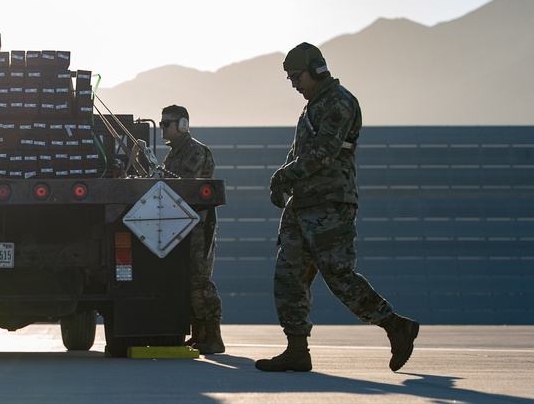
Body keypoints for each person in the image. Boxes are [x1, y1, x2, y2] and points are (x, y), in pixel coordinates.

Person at [258, 42, 419, 373]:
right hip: (303, 205)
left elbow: (322, 153)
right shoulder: (312, 107)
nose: (293, 84)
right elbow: (300, 152)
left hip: (330, 204)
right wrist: (283, 182)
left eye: (296, 76)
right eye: (289, 78)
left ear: (316, 70)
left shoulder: (339, 102)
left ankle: (395, 325)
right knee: (288, 277)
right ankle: (297, 349)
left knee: (338, 277)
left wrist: (283, 175)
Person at [160, 104, 224, 354]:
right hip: (181, 223)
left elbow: (182, 185)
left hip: (198, 223)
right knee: (185, 278)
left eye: (167, 123)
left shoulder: (194, 151)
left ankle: (213, 336)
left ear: (183, 125)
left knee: (199, 278)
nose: (162, 128)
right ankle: (199, 334)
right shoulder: (174, 153)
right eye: (162, 123)